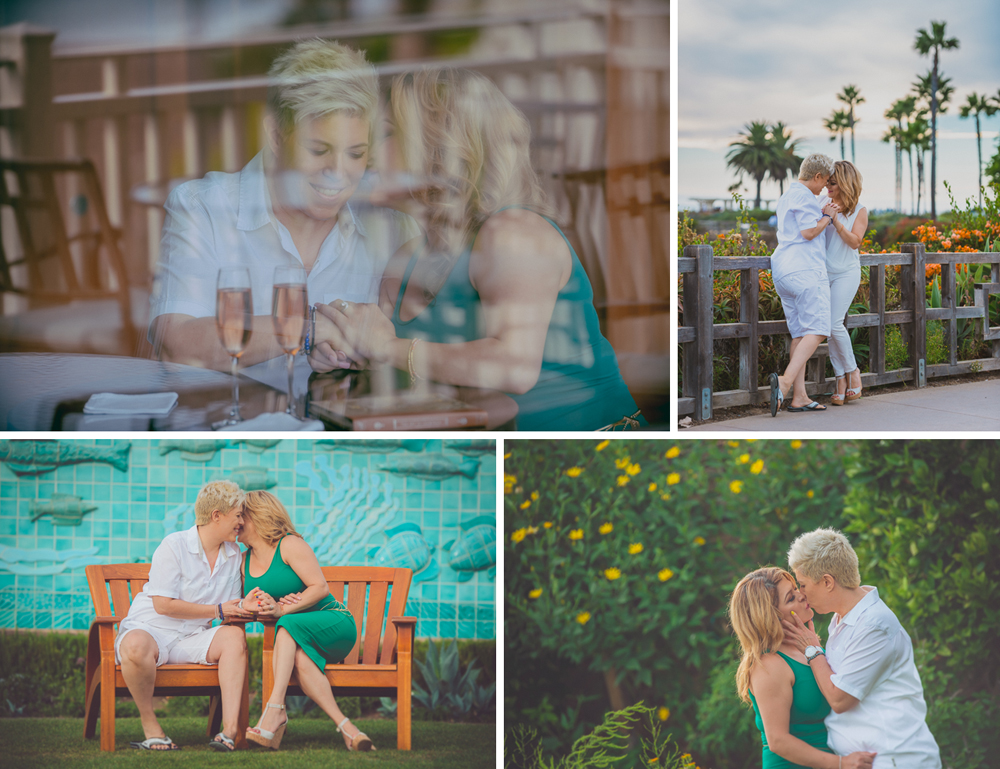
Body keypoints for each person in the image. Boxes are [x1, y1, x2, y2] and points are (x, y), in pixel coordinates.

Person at [308, 68, 643, 431]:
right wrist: (346, 354)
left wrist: (386, 347)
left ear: (438, 143)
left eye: (386, 132)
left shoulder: (513, 233)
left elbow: (514, 368)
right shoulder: (405, 260)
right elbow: (400, 358)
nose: (367, 150)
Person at [149, 40, 415, 379]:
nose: (337, 171)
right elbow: (177, 345)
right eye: (318, 150)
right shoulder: (202, 208)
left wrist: (374, 351)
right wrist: (308, 330)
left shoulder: (396, 230)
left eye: (355, 154)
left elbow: (422, 353)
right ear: (275, 135)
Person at [783, 528, 942, 768]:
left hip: (895, 759)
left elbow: (840, 699)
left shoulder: (874, 626)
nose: (801, 594)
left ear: (827, 581)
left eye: (803, 585)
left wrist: (813, 650)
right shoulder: (842, 620)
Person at [115, 480, 251, 751]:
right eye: (238, 515)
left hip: (192, 639)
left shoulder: (234, 554)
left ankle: (229, 731)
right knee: (135, 645)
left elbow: (231, 613)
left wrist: (252, 606)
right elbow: (163, 605)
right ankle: (151, 727)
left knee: (234, 637)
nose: (242, 521)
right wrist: (218, 610)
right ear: (216, 516)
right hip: (150, 631)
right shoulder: (174, 545)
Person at [238, 490, 371, 751]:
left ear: (256, 516)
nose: (236, 522)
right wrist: (256, 606)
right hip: (296, 634)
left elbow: (319, 587)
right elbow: (249, 605)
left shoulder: (289, 544)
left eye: (240, 515)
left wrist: (281, 611)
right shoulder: (244, 561)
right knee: (297, 657)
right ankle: (349, 730)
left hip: (334, 622)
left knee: (285, 626)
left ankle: (275, 709)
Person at [729, 567, 877, 769]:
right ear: (771, 617)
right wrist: (842, 763)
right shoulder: (769, 665)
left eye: (796, 588)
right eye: (790, 598)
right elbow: (778, 741)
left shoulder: (810, 648)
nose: (802, 595)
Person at [768, 153, 837, 416]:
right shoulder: (807, 197)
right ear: (817, 176)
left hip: (783, 271)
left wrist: (823, 208)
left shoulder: (788, 196)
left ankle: (799, 397)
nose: (825, 187)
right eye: (825, 182)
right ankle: (784, 384)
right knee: (818, 330)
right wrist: (827, 217)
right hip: (805, 269)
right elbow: (809, 232)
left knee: (800, 334)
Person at [821, 161, 866, 405]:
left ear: (845, 184)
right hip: (823, 274)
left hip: (846, 273)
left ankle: (853, 372)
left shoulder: (859, 210)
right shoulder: (822, 205)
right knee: (828, 328)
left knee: (833, 322)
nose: (827, 186)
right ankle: (840, 379)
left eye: (833, 182)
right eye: (827, 181)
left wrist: (835, 220)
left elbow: (855, 242)